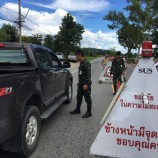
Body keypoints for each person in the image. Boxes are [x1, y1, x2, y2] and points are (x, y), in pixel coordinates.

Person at [70, 50, 92, 118]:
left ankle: (89, 112)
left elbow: (88, 75)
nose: (76, 57)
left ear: (79, 55)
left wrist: (86, 84)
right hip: (81, 84)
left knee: (87, 98)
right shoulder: (81, 62)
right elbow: (82, 73)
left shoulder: (86, 63)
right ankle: (77, 109)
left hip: (85, 84)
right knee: (79, 97)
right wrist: (79, 81)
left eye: (76, 55)